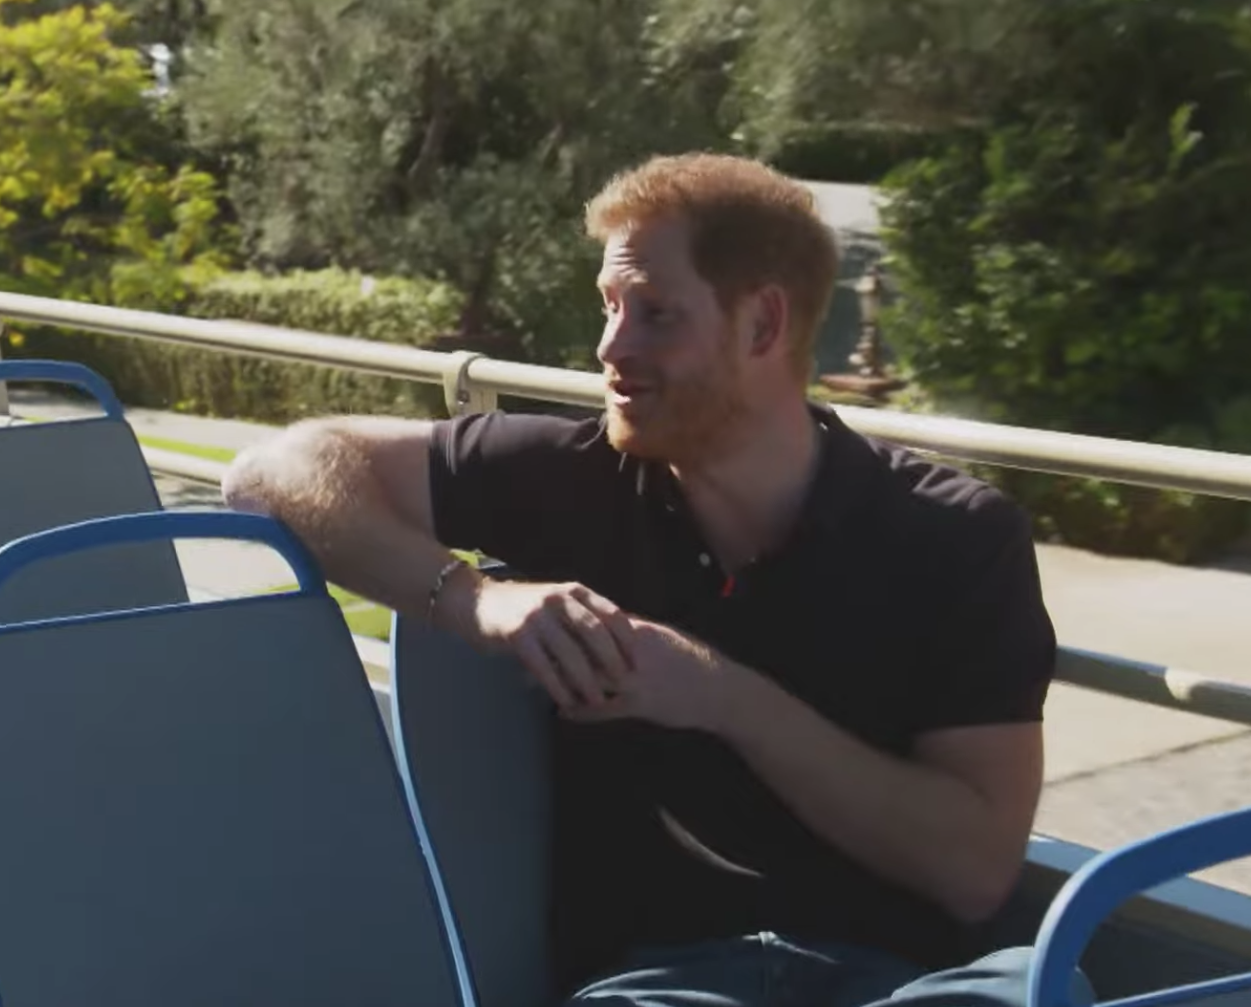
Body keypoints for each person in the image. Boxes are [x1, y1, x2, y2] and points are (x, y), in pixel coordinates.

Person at [220, 152, 1093, 1007]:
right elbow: (270, 473)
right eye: (608, 306)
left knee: (1040, 987)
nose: (610, 347)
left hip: (904, 983)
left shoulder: (955, 534)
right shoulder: (570, 474)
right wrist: (474, 598)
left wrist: (720, 696)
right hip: (663, 983)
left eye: (655, 314)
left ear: (762, 325)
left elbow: (975, 871)